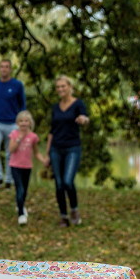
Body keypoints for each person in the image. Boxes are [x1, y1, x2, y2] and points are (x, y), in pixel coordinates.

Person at [43, 75, 89, 227]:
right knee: (59, 184)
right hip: (56, 148)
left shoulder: (78, 104)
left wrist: (83, 119)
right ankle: (64, 216)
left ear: (70, 87)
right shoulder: (55, 107)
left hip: (72, 148)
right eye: (58, 87)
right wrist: (47, 154)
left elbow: (85, 117)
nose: (61, 89)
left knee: (68, 181)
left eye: (63, 86)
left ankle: (74, 210)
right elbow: (52, 131)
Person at [0, 59, 26, 190]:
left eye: (7, 67)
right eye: (2, 67)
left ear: (10, 69)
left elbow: (23, 104)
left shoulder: (17, 85)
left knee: (11, 153)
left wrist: (21, 122)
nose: (4, 69)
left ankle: (9, 181)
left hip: (12, 124)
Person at [9, 110, 46, 225]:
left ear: (30, 123)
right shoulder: (14, 134)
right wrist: (19, 138)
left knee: (24, 191)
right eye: (21, 121)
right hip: (15, 166)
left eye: (26, 121)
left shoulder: (33, 136)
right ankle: (21, 215)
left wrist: (44, 161)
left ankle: (21, 205)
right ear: (17, 123)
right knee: (19, 189)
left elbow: (36, 153)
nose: (24, 123)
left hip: (27, 167)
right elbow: (11, 149)